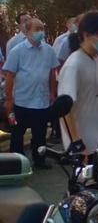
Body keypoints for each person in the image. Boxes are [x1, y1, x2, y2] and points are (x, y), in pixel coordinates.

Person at [57, 11, 98, 221]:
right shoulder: (74, 64)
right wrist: (77, 144)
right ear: (86, 34)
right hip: (86, 142)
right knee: (90, 198)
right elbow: (65, 108)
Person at [3, 18, 58, 169]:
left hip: (41, 100)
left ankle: (39, 159)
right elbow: (10, 76)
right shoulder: (18, 51)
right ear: (27, 32)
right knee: (17, 135)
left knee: (40, 134)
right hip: (22, 100)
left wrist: (52, 92)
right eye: (37, 29)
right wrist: (9, 98)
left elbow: (52, 73)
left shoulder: (49, 50)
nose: (41, 32)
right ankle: (16, 162)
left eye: (42, 29)